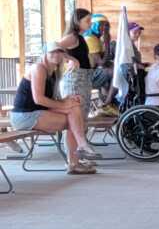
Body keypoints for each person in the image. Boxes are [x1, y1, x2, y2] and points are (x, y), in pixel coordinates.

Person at [10, 42, 103, 175]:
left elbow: (51, 100)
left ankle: (78, 154)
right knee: (73, 120)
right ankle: (77, 157)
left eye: (59, 52)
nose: (56, 54)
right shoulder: (38, 68)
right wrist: (64, 105)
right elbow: (39, 99)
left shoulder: (53, 72)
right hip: (24, 116)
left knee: (74, 107)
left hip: (38, 111)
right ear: (45, 54)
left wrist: (68, 99)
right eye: (52, 52)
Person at [56, 8, 94, 120]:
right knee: (75, 118)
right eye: (87, 20)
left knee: (82, 117)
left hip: (84, 79)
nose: (90, 23)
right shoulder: (72, 37)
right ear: (77, 21)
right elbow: (53, 47)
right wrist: (70, 58)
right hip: (75, 81)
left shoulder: (80, 38)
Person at [82, 14, 118, 116]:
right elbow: (101, 62)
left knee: (113, 69)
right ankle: (107, 103)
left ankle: (105, 103)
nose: (104, 28)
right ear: (94, 25)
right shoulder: (90, 38)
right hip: (86, 76)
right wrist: (107, 43)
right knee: (115, 73)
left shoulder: (97, 38)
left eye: (106, 26)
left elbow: (105, 60)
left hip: (93, 71)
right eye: (101, 25)